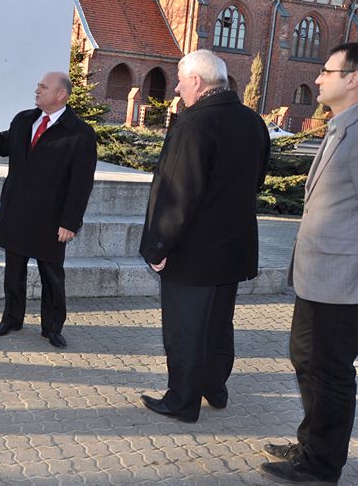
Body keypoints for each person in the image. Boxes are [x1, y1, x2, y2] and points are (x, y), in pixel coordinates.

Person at [139, 49, 270, 423]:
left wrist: (158, 245)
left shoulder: (193, 123)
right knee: (217, 324)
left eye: (180, 79)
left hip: (192, 251)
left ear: (196, 81)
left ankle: (182, 401)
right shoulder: (252, 122)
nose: (177, 87)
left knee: (185, 328)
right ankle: (215, 388)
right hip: (233, 249)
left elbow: (177, 193)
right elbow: (257, 180)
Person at [259, 43, 358, 484]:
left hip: (343, 281)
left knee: (330, 370)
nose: (317, 78)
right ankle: (311, 441)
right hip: (316, 274)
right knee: (306, 357)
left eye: (327, 71)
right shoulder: (341, 126)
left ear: (352, 78)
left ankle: (322, 465)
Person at [0, 71, 97, 349]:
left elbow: (81, 184)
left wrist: (70, 222)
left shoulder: (79, 133)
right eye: (37, 86)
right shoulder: (24, 120)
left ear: (61, 95)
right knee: (14, 271)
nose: (37, 90)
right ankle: (12, 318)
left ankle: (52, 327)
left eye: (43, 87)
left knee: (52, 275)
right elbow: (0, 143)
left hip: (51, 218)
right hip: (17, 211)